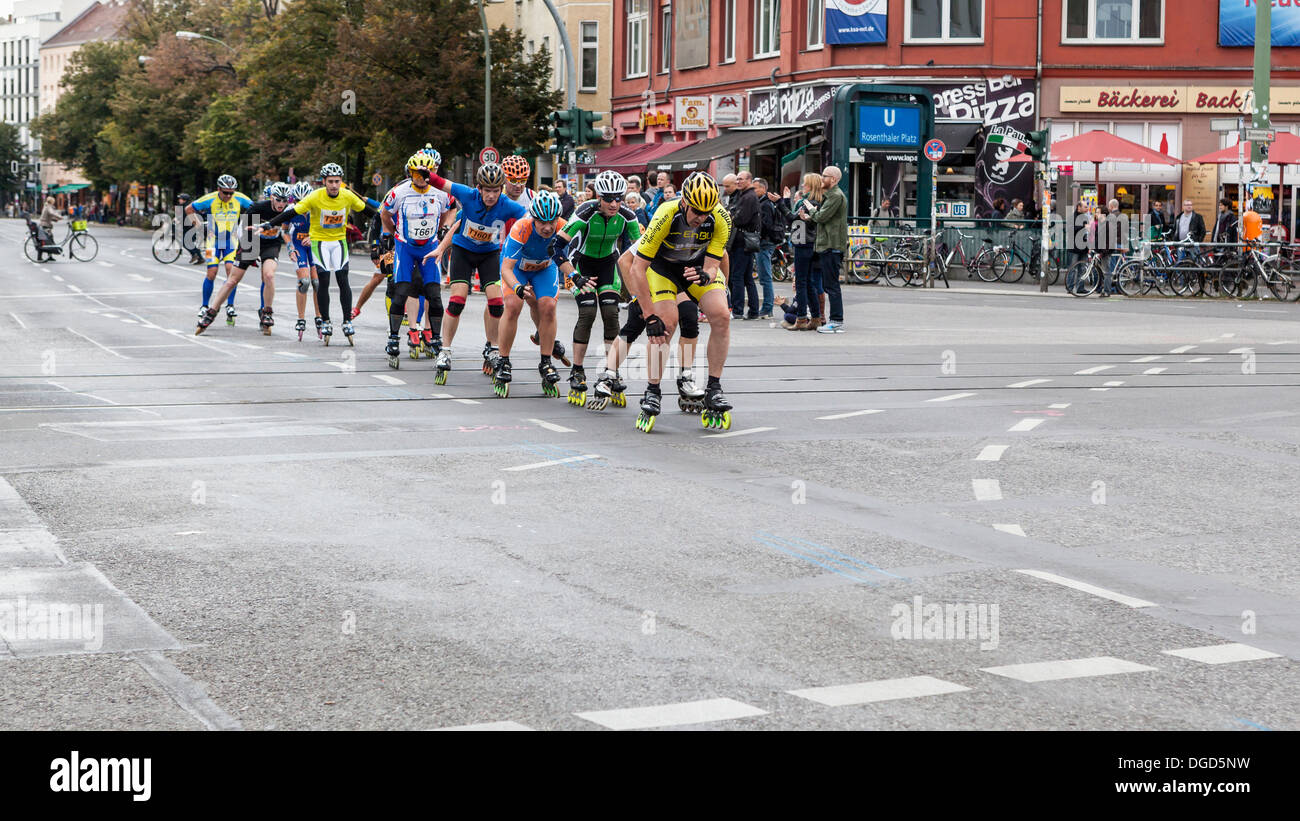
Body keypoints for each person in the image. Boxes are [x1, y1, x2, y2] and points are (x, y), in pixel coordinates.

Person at [621, 171, 735, 431]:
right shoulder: (665, 214)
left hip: (697, 269)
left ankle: (713, 387)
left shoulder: (721, 217)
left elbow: (715, 261)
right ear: (684, 202)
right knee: (665, 325)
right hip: (664, 270)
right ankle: (652, 390)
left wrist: (708, 275)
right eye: (696, 211)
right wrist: (649, 315)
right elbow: (637, 268)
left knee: (721, 316)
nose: (701, 218)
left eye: (707, 212)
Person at [419, 162, 528, 383]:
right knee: (457, 300)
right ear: (479, 188)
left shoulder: (507, 204)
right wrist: (424, 173)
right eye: (487, 190)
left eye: (495, 191)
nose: (491, 196)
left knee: (497, 302)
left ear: (501, 189)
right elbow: (441, 183)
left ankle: (492, 347)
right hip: (463, 251)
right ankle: (445, 349)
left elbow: (532, 218)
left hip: (489, 253)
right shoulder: (467, 195)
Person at [259, 163, 380, 344]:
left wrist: (387, 226)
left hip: (339, 242)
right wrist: (269, 224)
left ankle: (347, 320)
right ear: (324, 182)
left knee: (342, 277)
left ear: (341, 182)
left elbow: (372, 213)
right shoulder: (315, 197)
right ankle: (325, 320)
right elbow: (291, 212)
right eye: (330, 181)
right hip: (320, 242)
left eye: (337, 181)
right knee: (321, 280)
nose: (333, 185)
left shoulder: (347, 196)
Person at [549, 170, 641, 403]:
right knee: (588, 313)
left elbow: (640, 252)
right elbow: (555, 248)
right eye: (609, 198)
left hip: (608, 264)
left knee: (611, 314)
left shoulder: (628, 216)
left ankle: (611, 371)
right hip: (582, 264)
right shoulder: (584, 213)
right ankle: (577, 370)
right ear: (599, 197)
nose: (614, 203)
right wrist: (574, 276)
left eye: (619, 198)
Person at [378, 151, 454, 367]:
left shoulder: (440, 192)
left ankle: (436, 339)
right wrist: (390, 233)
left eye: (424, 174)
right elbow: (384, 213)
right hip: (406, 248)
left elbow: (452, 209)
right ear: (410, 173)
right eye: (416, 173)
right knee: (401, 293)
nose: (420, 177)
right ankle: (393, 338)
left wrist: (444, 228)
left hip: (429, 247)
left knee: (434, 295)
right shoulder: (399, 192)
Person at [493, 191, 567, 397]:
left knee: (548, 307)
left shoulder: (563, 226)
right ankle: (503, 361)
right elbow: (506, 269)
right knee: (513, 306)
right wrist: (517, 287)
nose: (547, 227)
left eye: (552, 221)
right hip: (517, 268)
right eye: (541, 222)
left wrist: (575, 276)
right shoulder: (521, 228)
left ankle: (546, 362)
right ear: (533, 219)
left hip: (544, 267)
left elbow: (572, 255)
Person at [215, 181, 293, 335]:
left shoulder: (289, 210)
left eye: (285, 201)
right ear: (271, 197)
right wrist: (246, 250)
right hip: (251, 241)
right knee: (233, 279)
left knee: (268, 275)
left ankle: (266, 311)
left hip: (270, 245)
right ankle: (211, 310)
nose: (281, 204)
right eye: (278, 200)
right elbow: (241, 230)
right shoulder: (258, 208)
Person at [189, 176, 253, 331]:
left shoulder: (239, 198)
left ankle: (230, 305)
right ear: (218, 189)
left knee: (232, 272)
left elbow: (256, 208)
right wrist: (198, 226)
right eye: (225, 193)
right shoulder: (209, 199)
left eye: (231, 193)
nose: (229, 196)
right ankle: (205, 306)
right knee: (212, 272)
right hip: (213, 241)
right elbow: (189, 209)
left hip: (231, 241)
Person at [802, 166, 848, 333]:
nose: (821, 179)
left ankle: (836, 321)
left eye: (824, 176)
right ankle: (834, 320)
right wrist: (811, 216)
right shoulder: (831, 196)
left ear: (833, 180)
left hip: (832, 245)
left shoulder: (835, 196)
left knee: (831, 285)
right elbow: (823, 219)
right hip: (828, 245)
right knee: (829, 284)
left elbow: (821, 216)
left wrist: (811, 209)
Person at [283, 181, 322, 340]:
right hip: (298, 246)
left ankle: (319, 316)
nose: (302, 205)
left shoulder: (318, 209)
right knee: (304, 282)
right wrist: (290, 248)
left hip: (314, 246)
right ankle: (301, 318)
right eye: (298, 202)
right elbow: (284, 231)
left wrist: (312, 237)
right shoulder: (290, 210)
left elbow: (325, 228)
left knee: (318, 283)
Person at [786, 174, 822, 329]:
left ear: (811, 186)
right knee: (808, 283)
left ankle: (801, 318)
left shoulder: (807, 203)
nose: (802, 186)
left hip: (803, 243)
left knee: (801, 282)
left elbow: (792, 219)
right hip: (810, 243)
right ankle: (815, 317)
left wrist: (783, 202)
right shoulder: (818, 201)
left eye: (805, 184)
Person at [727, 171, 761, 320]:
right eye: (737, 179)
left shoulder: (748, 197)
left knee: (737, 277)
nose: (738, 182)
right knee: (747, 278)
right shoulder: (746, 196)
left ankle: (738, 310)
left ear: (749, 180)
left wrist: (731, 216)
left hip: (742, 242)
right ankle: (753, 311)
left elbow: (741, 219)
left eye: (740, 179)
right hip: (745, 241)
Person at [754, 177, 789, 319]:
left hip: (765, 242)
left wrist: (757, 233)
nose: (753, 191)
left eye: (755, 188)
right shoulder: (763, 203)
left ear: (763, 189)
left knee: (765, 277)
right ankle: (767, 308)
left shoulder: (765, 204)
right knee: (764, 276)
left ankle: (767, 308)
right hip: (765, 242)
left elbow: (766, 225)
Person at [36, 196, 62, 261]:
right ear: (51, 201)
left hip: (44, 225)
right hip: (45, 226)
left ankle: (50, 256)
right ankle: (40, 257)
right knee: (44, 242)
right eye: (53, 201)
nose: (54, 202)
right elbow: (51, 213)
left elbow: (48, 216)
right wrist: (59, 216)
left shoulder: (46, 206)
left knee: (49, 241)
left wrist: (56, 219)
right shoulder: (48, 207)